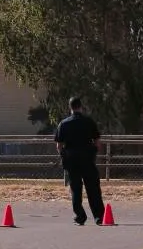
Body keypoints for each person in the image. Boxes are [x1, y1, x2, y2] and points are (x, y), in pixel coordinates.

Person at [54, 96, 105, 226]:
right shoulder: (89, 122)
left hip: (72, 159)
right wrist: (93, 153)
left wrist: (64, 155)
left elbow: (59, 145)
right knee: (93, 188)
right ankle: (99, 216)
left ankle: (80, 216)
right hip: (87, 158)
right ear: (81, 107)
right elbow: (97, 142)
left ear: (70, 107)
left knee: (76, 189)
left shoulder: (64, 124)